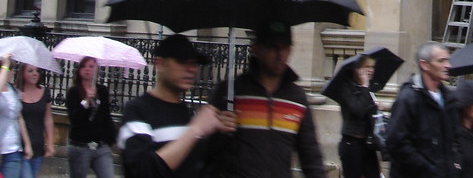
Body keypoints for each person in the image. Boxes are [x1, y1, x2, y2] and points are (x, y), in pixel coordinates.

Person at [208, 21, 325, 178]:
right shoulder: (230, 92)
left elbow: (311, 155)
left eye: (285, 47)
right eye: (272, 47)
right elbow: (207, 153)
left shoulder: (297, 98)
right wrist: (218, 132)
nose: (280, 55)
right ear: (256, 50)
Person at [118, 34, 236, 178]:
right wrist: (195, 130)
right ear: (160, 64)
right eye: (182, 62)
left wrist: (218, 134)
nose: (192, 69)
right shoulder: (137, 110)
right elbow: (142, 171)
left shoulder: (187, 115)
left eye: (194, 63)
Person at [386, 41, 457, 178]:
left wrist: (456, 163)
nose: (448, 65)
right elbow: (396, 143)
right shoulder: (408, 98)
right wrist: (429, 169)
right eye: (441, 61)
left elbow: (456, 137)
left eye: (448, 60)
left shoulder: (449, 98)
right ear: (425, 65)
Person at [66, 56, 116, 178]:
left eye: (91, 66)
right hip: (80, 146)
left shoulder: (102, 90)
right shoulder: (74, 92)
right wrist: (86, 101)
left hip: (100, 146)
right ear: (79, 70)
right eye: (84, 66)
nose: (87, 69)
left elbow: (106, 116)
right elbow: (74, 119)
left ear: (96, 69)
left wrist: (112, 138)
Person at [336, 54, 380, 178]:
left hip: (368, 143)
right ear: (357, 69)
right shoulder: (346, 88)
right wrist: (365, 86)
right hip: (351, 144)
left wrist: (376, 107)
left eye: (372, 67)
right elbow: (358, 110)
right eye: (367, 67)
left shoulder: (369, 89)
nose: (371, 70)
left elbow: (369, 115)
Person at [16, 64, 53, 178]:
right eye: (30, 71)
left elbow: (48, 118)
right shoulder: (17, 93)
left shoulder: (44, 92)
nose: (35, 74)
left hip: (38, 146)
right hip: (21, 146)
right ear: (23, 73)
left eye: (37, 71)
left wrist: (50, 143)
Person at [1, 52, 30, 178]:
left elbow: (19, 118)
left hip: (13, 148)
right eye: (10, 69)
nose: (13, 72)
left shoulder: (12, 90)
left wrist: (27, 144)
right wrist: (5, 64)